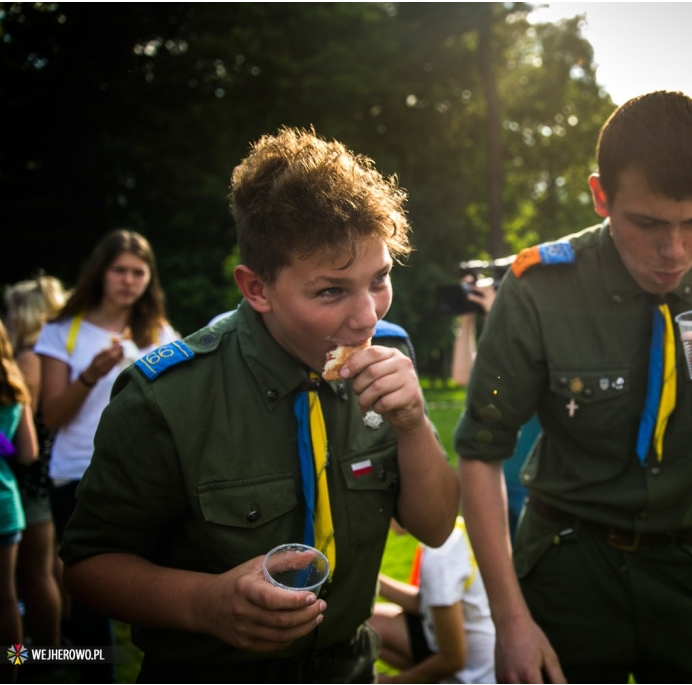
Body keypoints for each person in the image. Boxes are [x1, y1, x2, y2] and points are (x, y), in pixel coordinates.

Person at [455, 90, 692, 683]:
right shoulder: (539, 286)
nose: (675, 250)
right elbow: (481, 453)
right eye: (648, 223)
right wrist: (511, 622)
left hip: (684, 557)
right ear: (600, 195)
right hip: (565, 559)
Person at [59, 127, 459, 681]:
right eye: (331, 290)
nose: (368, 315)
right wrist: (205, 602)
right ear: (257, 289)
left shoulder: (391, 354)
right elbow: (87, 565)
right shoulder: (168, 397)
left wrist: (413, 425)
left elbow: (435, 528)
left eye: (381, 278)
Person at [34, 229, 177, 678]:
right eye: (120, 270)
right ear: (101, 272)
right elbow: (52, 416)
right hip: (77, 473)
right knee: (91, 596)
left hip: (148, 475)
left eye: (139, 272)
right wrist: (92, 376)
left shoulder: (160, 333)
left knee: (158, 586)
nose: (129, 280)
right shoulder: (62, 332)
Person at [3, 275, 67, 651]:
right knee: (47, 567)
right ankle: (56, 643)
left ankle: (44, 651)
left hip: (28, 479)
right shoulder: (52, 354)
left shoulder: (28, 357)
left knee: (34, 572)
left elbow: (17, 424)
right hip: (44, 471)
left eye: (11, 309)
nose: (7, 317)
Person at [450, 276, 539, 539]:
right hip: (495, 476)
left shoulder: (540, 336)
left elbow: (516, 371)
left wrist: (499, 316)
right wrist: (467, 319)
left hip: (529, 482)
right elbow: (462, 374)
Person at [370, 517, 495, 684]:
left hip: (475, 676)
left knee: (365, 629)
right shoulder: (451, 530)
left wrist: (386, 682)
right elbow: (426, 602)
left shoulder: (440, 557)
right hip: (481, 656)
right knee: (367, 622)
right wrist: (370, 579)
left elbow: (453, 660)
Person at [0, 318, 39, 679]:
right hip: (7, 506)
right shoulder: (14, 388)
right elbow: (28, 452)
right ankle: (13, 669)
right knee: (7, 597)